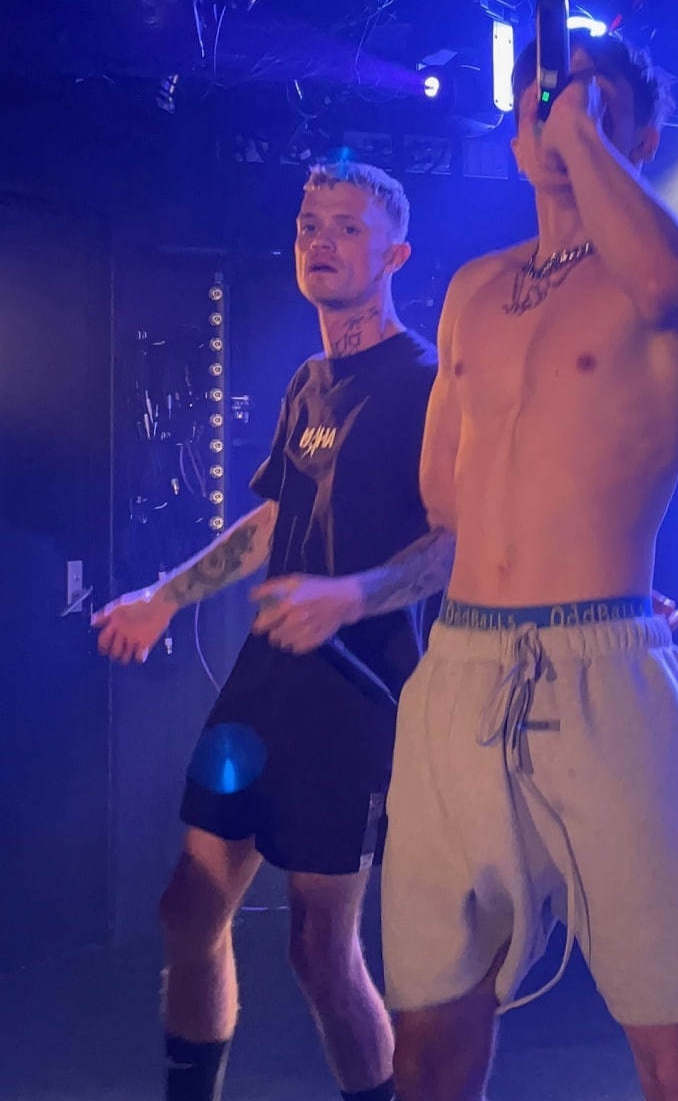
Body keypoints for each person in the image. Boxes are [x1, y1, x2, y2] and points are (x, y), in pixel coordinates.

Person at [380, 32, 678, 1101]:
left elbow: (669, 288)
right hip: (462, 669)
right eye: (541, 103)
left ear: (642, 135)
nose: (560, 114)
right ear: (512, 138)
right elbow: (446, 498)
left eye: (593, 101)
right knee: (428, 1039)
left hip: (610, 671)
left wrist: (580, 134)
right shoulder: (472, 287)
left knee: (677, 1056)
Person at [92, 161, 455, 1101]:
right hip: (263, 687)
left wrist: (355, 594)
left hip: (357, 693)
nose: (320, 241)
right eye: (308, 225)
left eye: (346, 226)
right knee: (189, 907)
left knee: (319, 949)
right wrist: (165, 596)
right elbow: (271, 519)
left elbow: (457, 541)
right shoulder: (308, 383)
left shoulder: (426, 383)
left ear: (395, 255)